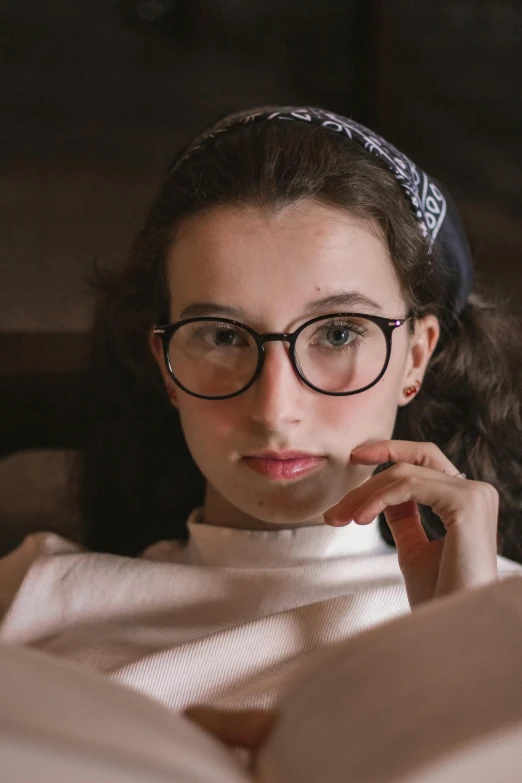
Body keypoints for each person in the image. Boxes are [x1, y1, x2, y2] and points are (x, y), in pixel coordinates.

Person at [1, 106, 522, 767]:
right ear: (165, 363)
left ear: (415, 357)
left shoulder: (502, 618)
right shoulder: (33, 595)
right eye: (221, 336)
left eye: (338, 333)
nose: (275, 410)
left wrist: (473, 659)